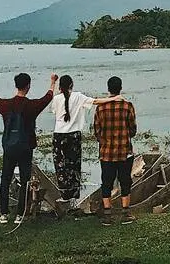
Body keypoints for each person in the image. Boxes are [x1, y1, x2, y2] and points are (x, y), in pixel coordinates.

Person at [0, 72, 57, 225]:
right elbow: (47, 98)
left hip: (9, 147)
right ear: (28, 86)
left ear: (16, 86)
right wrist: (52, 82)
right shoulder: (31, 106)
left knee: (5, 179)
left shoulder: (6, 105)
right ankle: (19, 215)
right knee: (25, 181)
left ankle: (3, 214)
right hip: (25, 147)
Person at [50, 75, 126, 206]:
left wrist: (53, 83)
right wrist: (114, 98)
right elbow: (96, 101)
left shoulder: (56, 99)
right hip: (73, 135)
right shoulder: (78, 96)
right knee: (74, 165)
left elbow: (56, 111)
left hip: (58, 136)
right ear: (72, 85)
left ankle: (64, 194)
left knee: (60, 166)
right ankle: (73, 195)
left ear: (60, 87)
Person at [93, 75, 137, 226]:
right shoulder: (127, 106)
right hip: (124, 152)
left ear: (108, 89)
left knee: (106, 183)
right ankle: (126, 214)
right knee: (125, 182)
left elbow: (97, 131)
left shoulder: (100, 107)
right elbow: (133, 130)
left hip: (106, 153)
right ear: (120, 88)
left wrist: (105, 142)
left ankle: (107, 216)